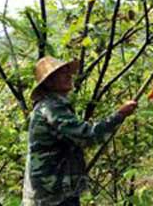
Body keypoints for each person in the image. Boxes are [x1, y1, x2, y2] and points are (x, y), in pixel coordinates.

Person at [22, 56, 137, 206]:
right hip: (51, 197)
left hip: (55, 192)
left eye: (67, 71)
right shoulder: (51, 108)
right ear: (49, 82)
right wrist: (119, 115)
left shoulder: (52, 105)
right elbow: (87, 136)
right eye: (62, 73)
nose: (69, 75)